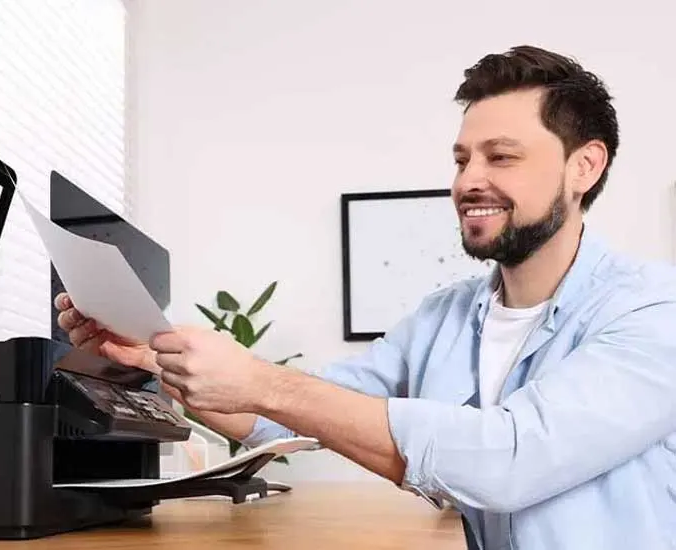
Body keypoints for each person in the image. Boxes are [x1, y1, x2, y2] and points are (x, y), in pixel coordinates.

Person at [54, 45, 676, 550]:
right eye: (461, 159)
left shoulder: (652, 309)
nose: (468, 181)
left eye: (501, 157)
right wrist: (152, 362)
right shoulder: (445, 318)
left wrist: (263, 383)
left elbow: (512, 461)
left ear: (584, 166)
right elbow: (276, 419)